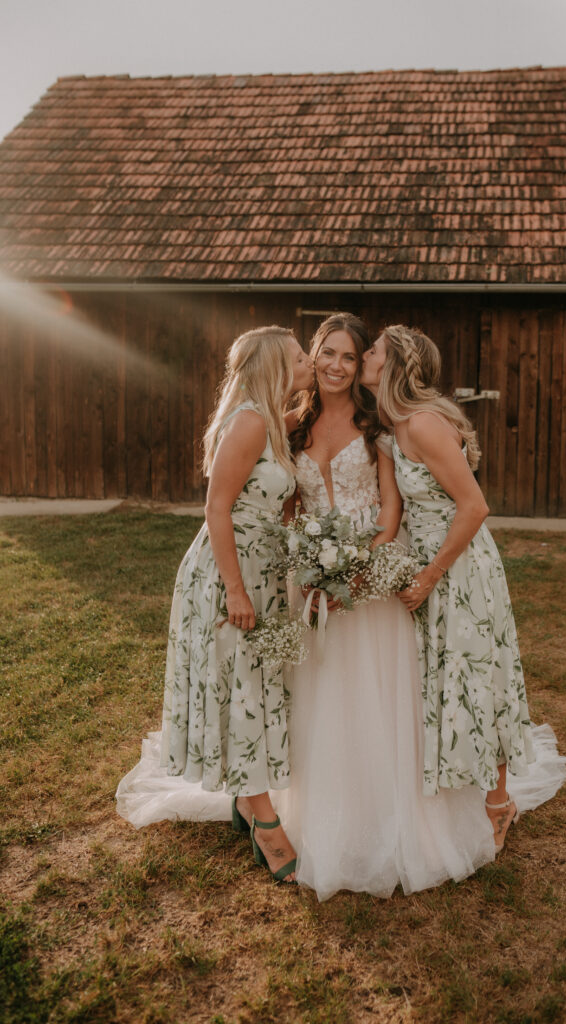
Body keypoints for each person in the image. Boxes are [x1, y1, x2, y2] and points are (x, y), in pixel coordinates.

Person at [272, 313, 501, 900]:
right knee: (321, 697)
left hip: (370, 574)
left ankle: (388, 815)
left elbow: (390, 511)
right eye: (329, 353)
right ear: (315, 354)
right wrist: (309, 568)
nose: (338, 366)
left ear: (362, 367)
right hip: (313, 577)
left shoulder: (381, 427)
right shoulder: (293, 424)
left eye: (352, 356)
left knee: (377, 698)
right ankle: (323, 808)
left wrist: (356, 568)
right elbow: (290, 504)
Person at [116, 325, 314, 883]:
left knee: (257, 683)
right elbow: (217, 508)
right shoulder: (250, 421)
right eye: (300, 358)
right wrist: (234, 589)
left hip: (265, 572)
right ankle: (268, 826)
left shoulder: (271, 418)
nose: (309, 364)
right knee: (246, 687)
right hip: (233, 574)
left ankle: (247, 801)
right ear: (276, 365)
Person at [361, 325, 566, 850]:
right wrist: (361, 561)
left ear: (394, 367)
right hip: (423, 566)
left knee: (479, 675)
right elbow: (395, 513)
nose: (365, 357)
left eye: (373, 352)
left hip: (460, 567)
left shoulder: (426, 424)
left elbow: (474, 507)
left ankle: (499, 802)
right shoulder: (389, 433)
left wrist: (430, 574)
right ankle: (453, 791)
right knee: (441, 679)